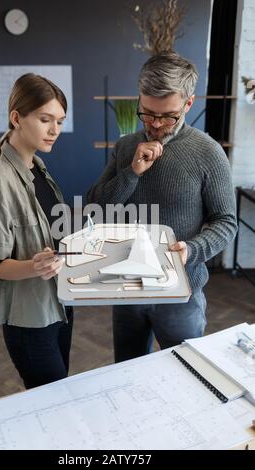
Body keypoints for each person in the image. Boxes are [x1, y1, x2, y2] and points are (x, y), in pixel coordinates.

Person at [88, 51, 237, 363]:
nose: (155, 124)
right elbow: (96, 207)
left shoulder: (208, 152)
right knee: (125, 376)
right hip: (126, 288)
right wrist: (132, 173)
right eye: (147, 112)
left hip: (180, 294)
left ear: (188, 104)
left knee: (185, 376)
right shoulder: (126, 146)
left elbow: (226, 222)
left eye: (167, 115)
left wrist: (191, 250)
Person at [0, 73, 73, 389]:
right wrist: (35, 266)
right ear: (16, 118)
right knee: (49, 403)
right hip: (30, 321)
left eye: (59, 121)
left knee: (57, 395)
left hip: (59, 304)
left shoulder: (40, 169)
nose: (55, 130)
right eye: (46, 119)